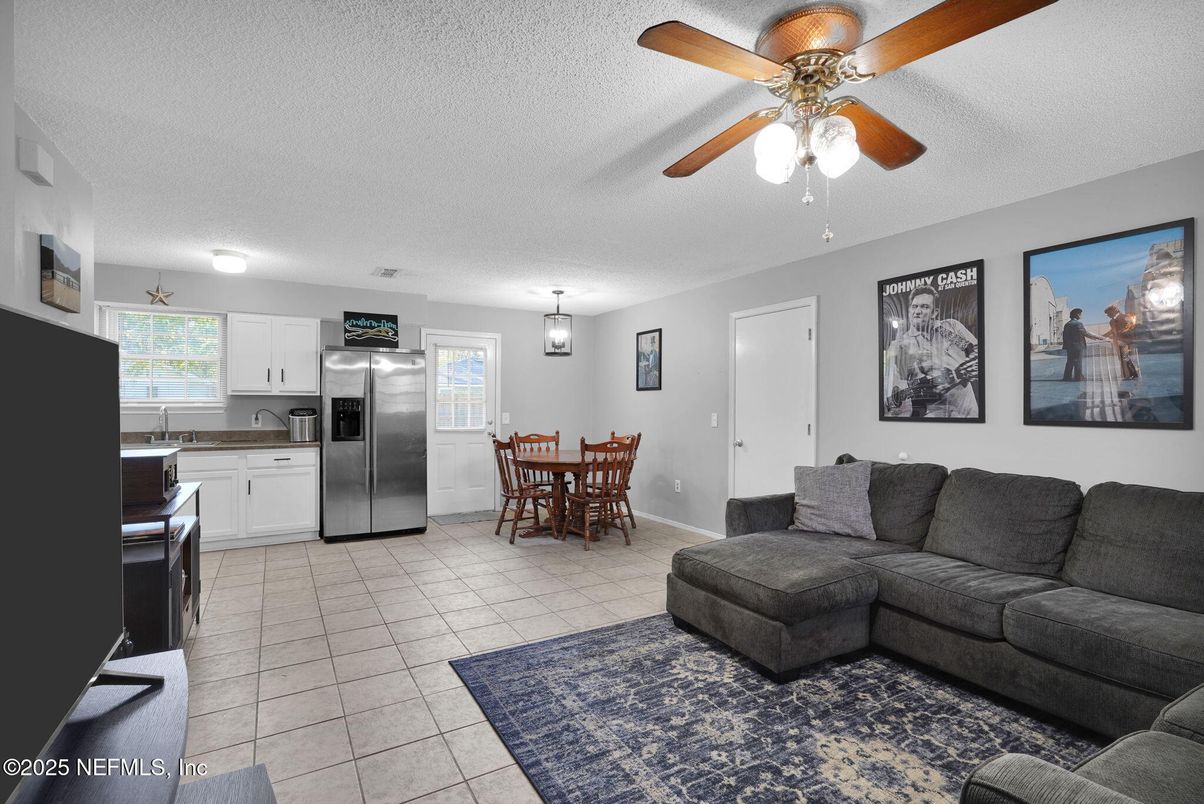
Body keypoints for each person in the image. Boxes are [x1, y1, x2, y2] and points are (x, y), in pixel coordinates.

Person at [883, 285, 979, 418]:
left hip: (968, 410)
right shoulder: (902, 345)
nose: (917, 311)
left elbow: (977, 353)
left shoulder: (950, 328)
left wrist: (956, 374)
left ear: (935, 313)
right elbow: (898, 389)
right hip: (932, 415)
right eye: (914, 306)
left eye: (924, 307)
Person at [1061, 308, 1105, 381]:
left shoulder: (1067, 324)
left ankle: (1067, 377)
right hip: (1077, 346)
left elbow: (1065, 336)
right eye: (1081, 314)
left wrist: (1066, 346)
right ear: (1078, 314)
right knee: (1078, 361)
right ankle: (1078, 377)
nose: (1081, 316)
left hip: (1069, 347)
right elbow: (1085, 333)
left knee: (1070, 362)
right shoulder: (1078, 324)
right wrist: (1100, 338)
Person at [1104, 304, 1140, 380]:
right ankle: (1133, 374)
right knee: (1125, 358)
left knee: (1124, 358)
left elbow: (1116, 332)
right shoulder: (1125, 317)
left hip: (1122, 342)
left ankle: (1128, 375)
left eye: (1108, 313)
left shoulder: (1116, 320)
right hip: (1126, 341)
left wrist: (1105, 336)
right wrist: (1104, 336)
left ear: (1113, 311)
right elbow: (1114, 331)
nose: (1107, 315)